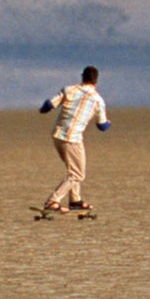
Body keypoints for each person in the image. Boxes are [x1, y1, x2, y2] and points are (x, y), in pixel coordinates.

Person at [39, 65, 110, 212]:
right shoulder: (98, 100)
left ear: (82, 76)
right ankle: (52, 201)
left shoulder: (68, 90)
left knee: (73, 169)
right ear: (96, 81)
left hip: (58, 136)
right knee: (78, 174)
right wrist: (109, 123)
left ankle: (75, 200)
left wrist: (42, 110)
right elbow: (102, 126)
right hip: (72, 139)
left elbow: (48, 105)